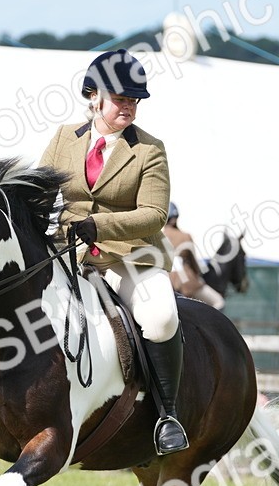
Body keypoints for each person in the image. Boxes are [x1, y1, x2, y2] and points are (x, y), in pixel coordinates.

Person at [39, 49, 188, 455]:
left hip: (130, 257)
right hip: (67, 253)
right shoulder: (63, 139)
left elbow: (155, 215)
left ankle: (167, 415)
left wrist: (99, 226)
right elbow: (39, 191)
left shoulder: (149, 149)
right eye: (121, 99)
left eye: (134, 101)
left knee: (160, 319)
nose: (129, 107)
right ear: (94, 97)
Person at [163, 202, 225, 310]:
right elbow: (193, 262)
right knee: (219, 302)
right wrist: (198, 274)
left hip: (166, 284)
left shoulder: (158, 237)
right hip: (187, 283)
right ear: (175, 218)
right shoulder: (185, 236)